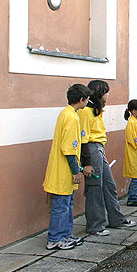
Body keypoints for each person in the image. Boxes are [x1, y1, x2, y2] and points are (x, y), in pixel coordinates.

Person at [79, 80, 136, 236]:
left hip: (99, 148)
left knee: (109, 185)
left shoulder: (96, 110)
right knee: (95, 187)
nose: (108, 95)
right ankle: (95, 225)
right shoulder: (86, 111)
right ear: (99, 93)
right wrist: (87, 162)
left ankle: (116, 218)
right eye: (106, 92)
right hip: (91, 149)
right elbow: (83, 138)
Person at [43, 84, 90, 250]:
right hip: (63, 171)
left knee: (67, 204)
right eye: (87, 99)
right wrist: (76, 170)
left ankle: (66, 234)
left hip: (63, 170)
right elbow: (69, 148)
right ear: (81, 99)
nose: (88, 102)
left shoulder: (67, 113)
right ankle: (55, 238)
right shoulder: (70, 117)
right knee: (61, 206)